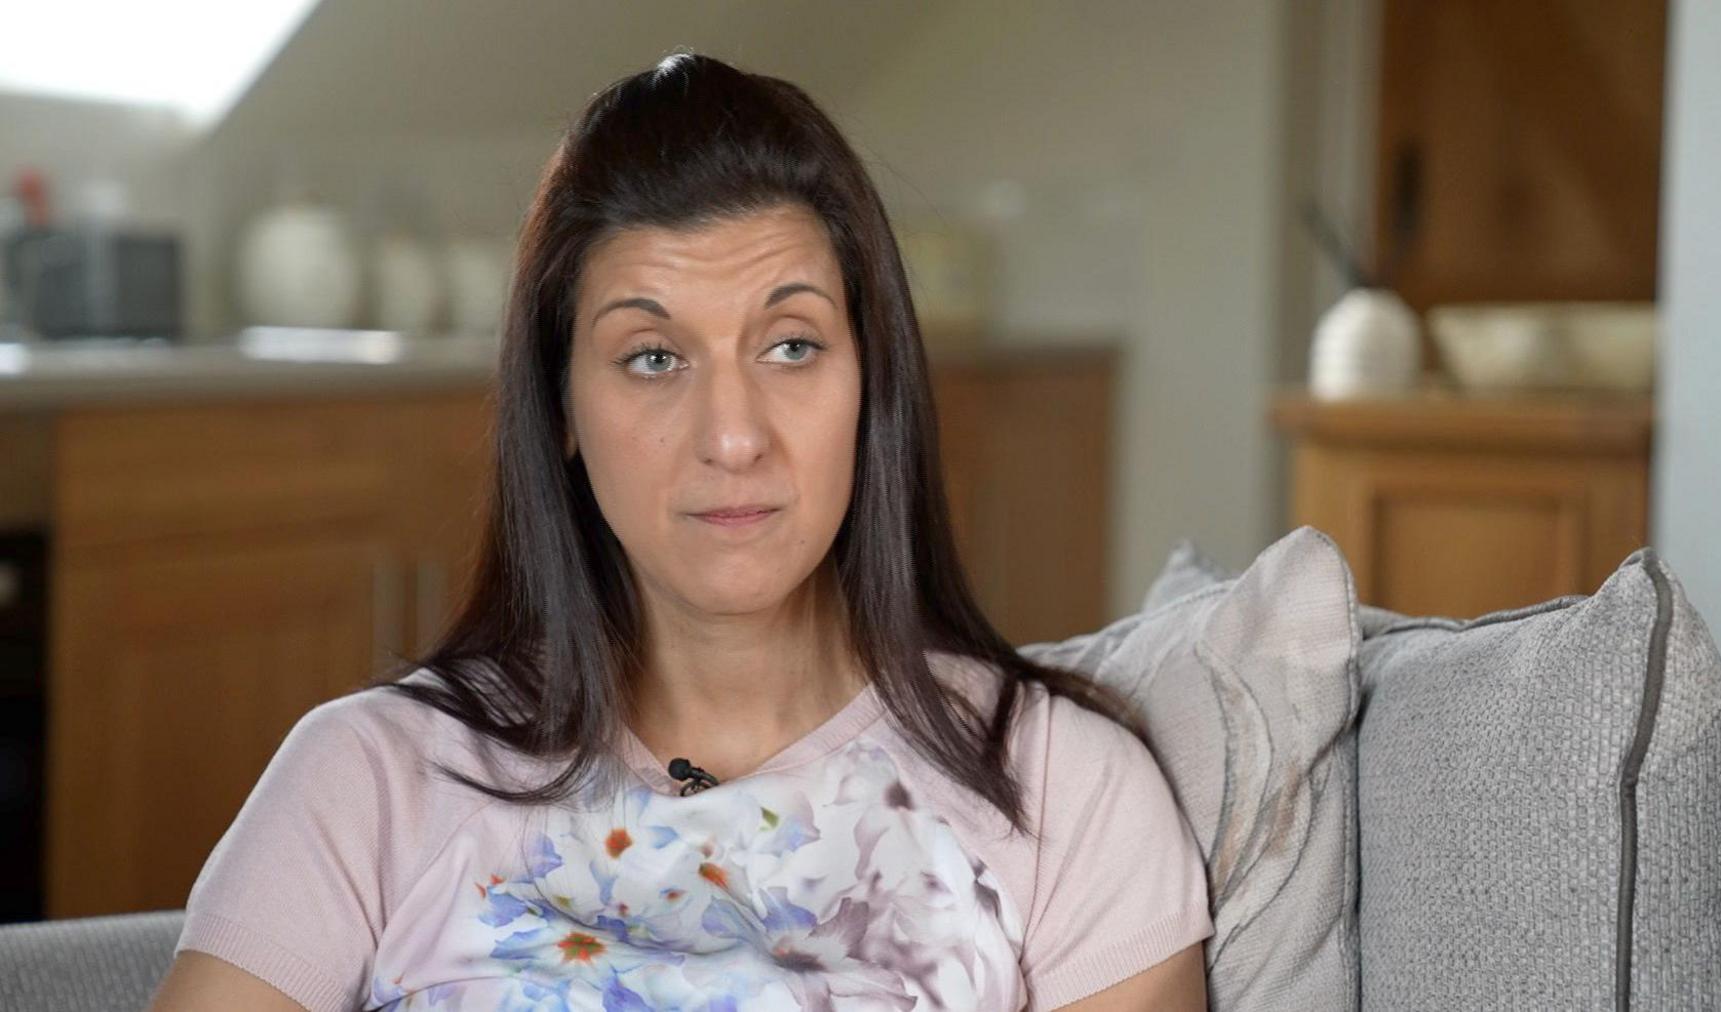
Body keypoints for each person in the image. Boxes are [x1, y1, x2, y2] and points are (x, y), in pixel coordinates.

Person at [150, 50, 1212, 1011]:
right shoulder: (368, 776)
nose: (734, 435)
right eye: (653, 357)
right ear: (562, 409)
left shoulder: (1066, 792)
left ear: (871, 381)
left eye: (791, 346)